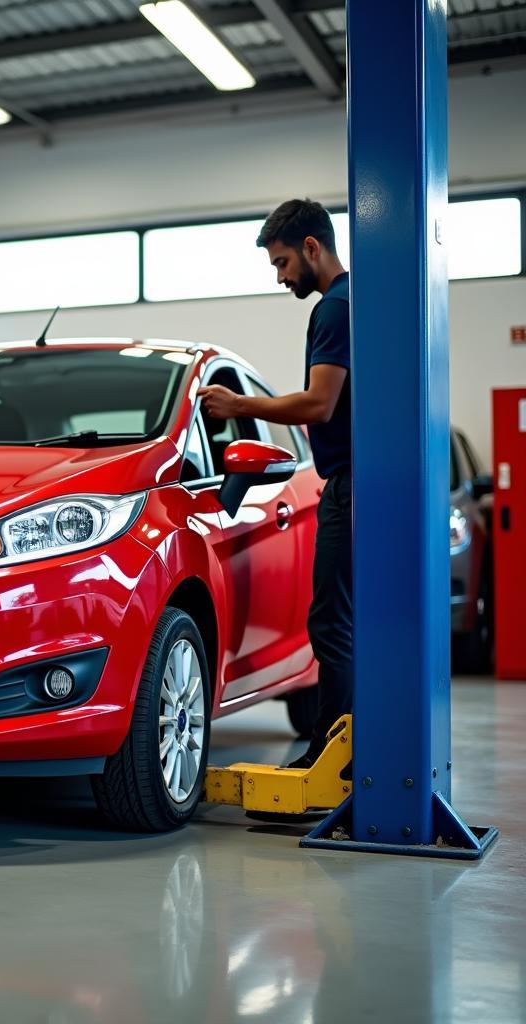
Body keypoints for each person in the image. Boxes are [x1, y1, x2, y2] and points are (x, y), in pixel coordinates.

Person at [197, 198, 351, 769]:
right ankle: (345, 755)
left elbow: (319, 402)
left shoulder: (334, 310)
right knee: (340, 623)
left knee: (332, 625)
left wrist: (238, 404)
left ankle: (331, 760)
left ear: (312, 248)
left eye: (283, 263)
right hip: (352, 484)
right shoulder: (352, 302)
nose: (282, 277)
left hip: (347, 488)